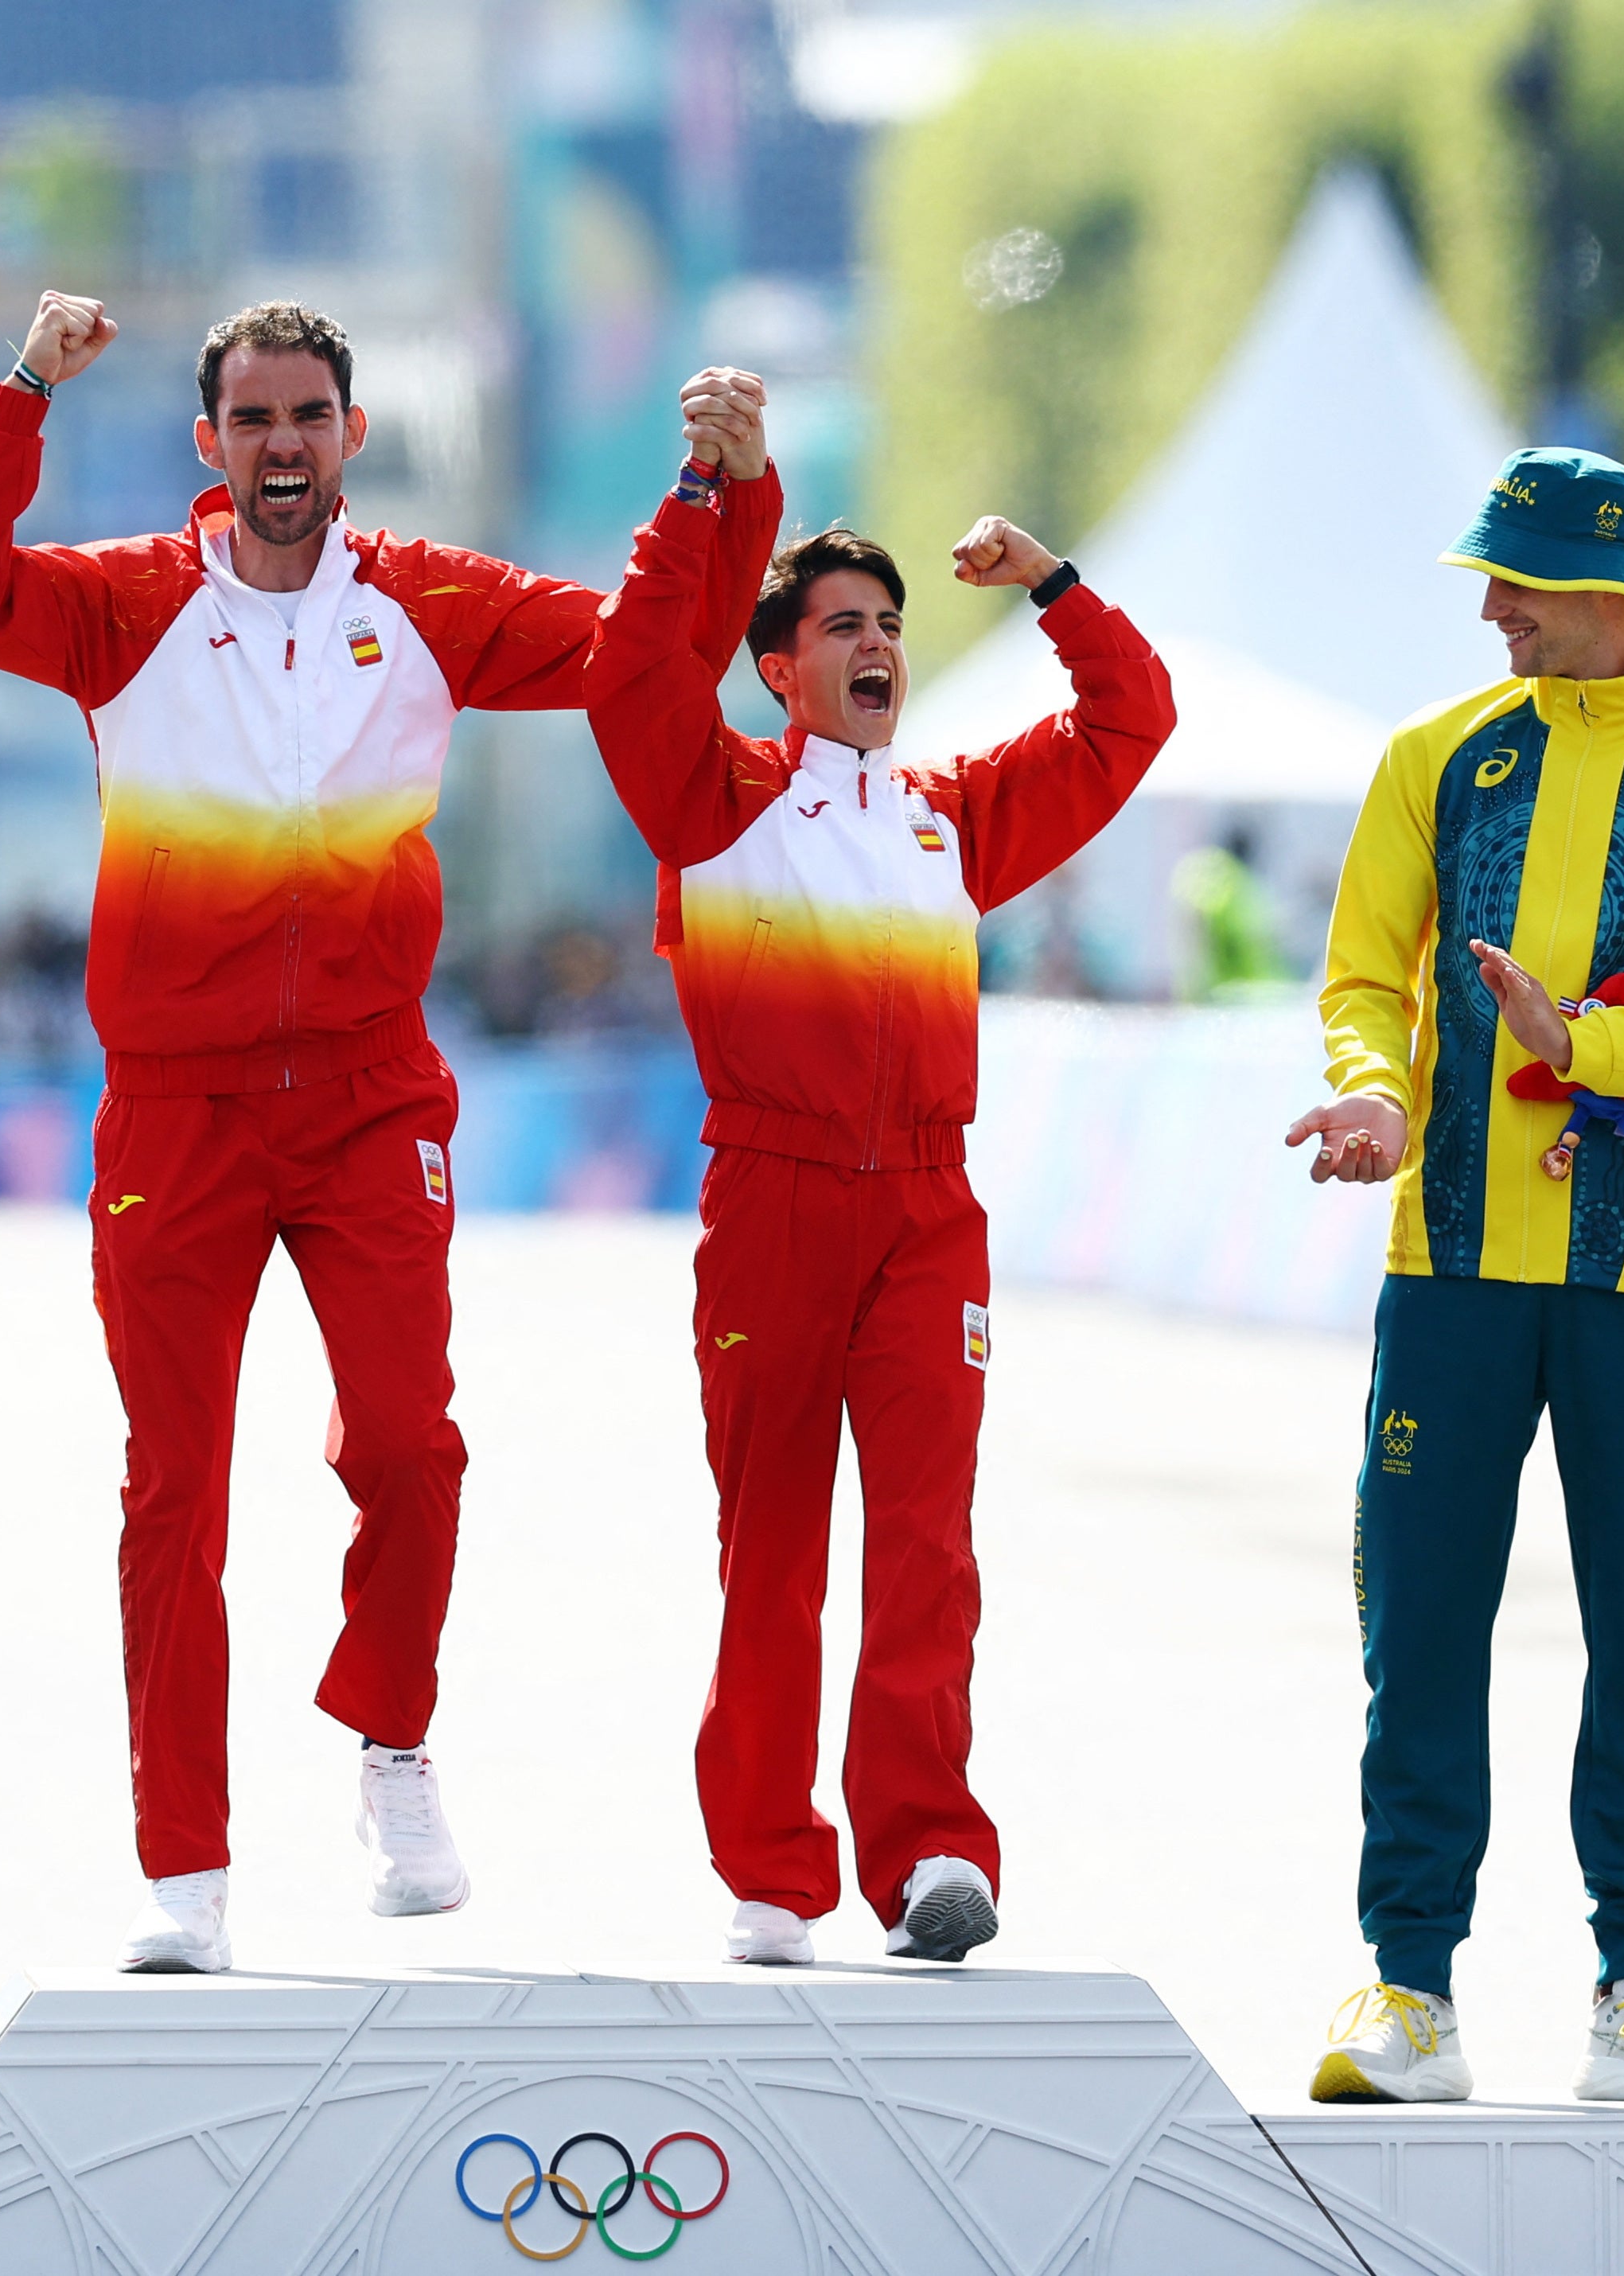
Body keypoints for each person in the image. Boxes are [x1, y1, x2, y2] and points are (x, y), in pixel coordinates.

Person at [0, 290, 777, 1973]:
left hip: (374, 1090)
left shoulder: (429, 604)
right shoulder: (125, 607)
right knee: (175, 1483)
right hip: (178, 1103)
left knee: (407, 1440)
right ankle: (186, 1864)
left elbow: (648, 654)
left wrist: (721, 497)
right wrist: (24, 390)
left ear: (349, 435)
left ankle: (391, 1743)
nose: (282, 446)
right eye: (252, 420)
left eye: (308, 416)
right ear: (209, 445)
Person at [583, 376, 1174, 1963]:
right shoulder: (713, 804)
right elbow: (630, 671)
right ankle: (773, 1862)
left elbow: (1132, 724)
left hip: (927, 1210)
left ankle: (925, 1853)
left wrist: (1055, 587)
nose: (877, 645)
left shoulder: (953, 822)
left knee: (926, 1541)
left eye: (892, 625)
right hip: (770, 1203)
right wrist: (721, 494)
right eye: (842, 623)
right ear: (780, 669)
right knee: (772, 1549)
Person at [1285, 450, 1624, 2105]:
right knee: (1421, 1622)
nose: (1489, 607)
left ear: (1617, 586)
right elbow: (1366, 970)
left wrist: (1581, 1041)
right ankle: (1407, 1983)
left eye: (1514, 578)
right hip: (1446, 1262)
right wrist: (1379, 1087)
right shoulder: (1432, 758)